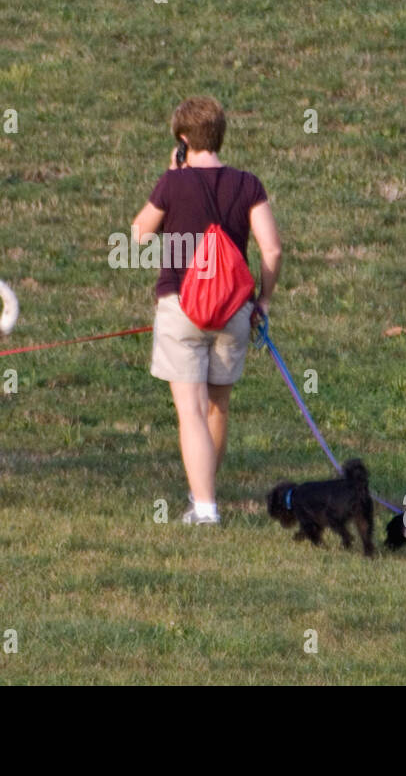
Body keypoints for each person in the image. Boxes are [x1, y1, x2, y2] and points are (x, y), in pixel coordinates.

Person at [131, 97, 282, 524]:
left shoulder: (171, 183)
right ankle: (204, 494)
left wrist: (172, 176)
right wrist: (263, 300)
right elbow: (271, 248)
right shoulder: (248, 184)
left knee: (190, 411)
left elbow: (138, 235)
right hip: (234, 308)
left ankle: (205, 507)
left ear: (182, 140)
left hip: (182, 305)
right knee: (217, 406)